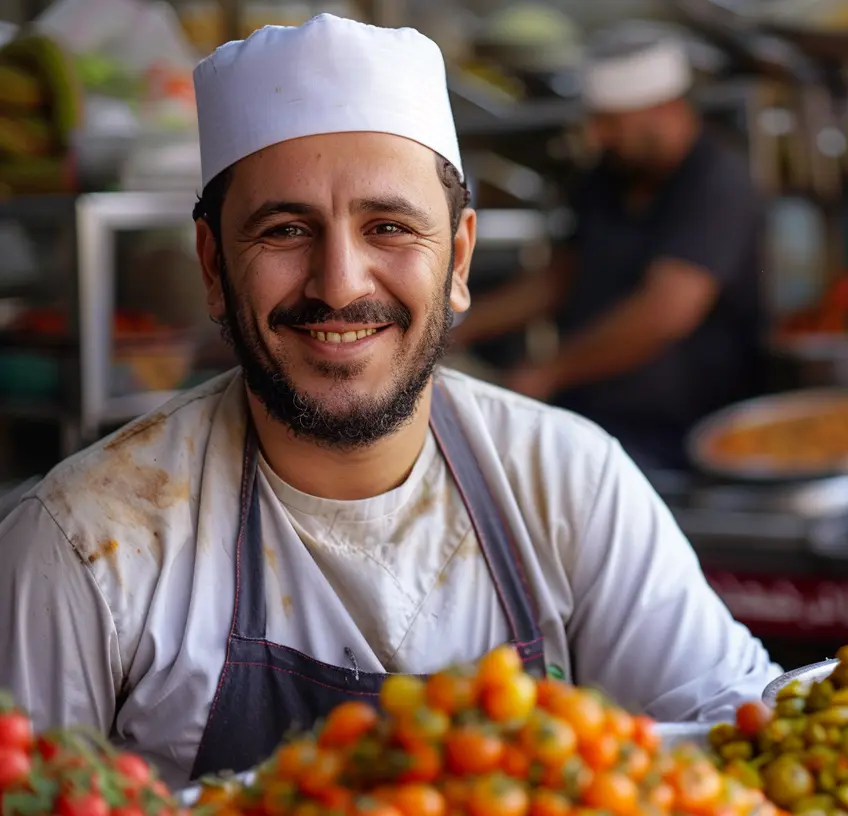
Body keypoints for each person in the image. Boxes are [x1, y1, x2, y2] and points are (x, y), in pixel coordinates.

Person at [0, 15, 778, 788]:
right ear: (211, 265)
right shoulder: (83, 543)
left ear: (461, 256)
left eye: (389, 227)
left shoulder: (568, 482)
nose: (340, 283)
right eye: (284, 230)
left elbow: (739, 738)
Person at [450, 38, 766, 472]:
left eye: (612, 122)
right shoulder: (608, 178)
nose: (599, 136)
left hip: (684, 436)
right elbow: (558, 279)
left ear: (665, 109)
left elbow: (666, 310)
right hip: (598, 417)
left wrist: (549, 371)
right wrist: (453, 327)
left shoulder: (715, 183)